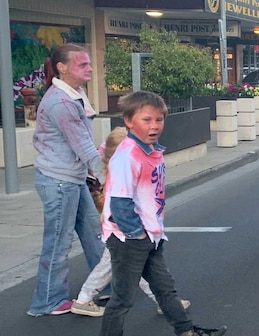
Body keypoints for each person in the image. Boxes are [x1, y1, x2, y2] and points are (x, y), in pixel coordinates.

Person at [95, 91, 227, 336]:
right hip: (129, 238)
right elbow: (118, 202)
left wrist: (149, 234)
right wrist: (137, 235)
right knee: (122, 298)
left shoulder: (151, 151)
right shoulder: (126, 156)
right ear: (129, 122)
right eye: (147, 120)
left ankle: (187, 334)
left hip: (149, 234)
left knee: (165, 289)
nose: (154, 125)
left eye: (159, 119)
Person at [70, 127, 190, 317]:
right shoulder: (122, 175)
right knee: (127, 265)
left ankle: (85, 299)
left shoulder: (119, 172)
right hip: (123, 232)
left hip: (123, 231)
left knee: (130, 266)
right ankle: (84, 299)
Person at [28, 44, 105, 317]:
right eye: (82, 65)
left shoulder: (75, 94)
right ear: (62, 67)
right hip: (59, 181)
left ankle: (103, 285)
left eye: (89, 64)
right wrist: (109, 180)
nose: (90, 69)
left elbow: (83, 144)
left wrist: (94, 173)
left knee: (94, 233)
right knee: (58, 243)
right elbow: (83, 146)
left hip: (73, 178)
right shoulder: (61, 102)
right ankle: (48, 300)